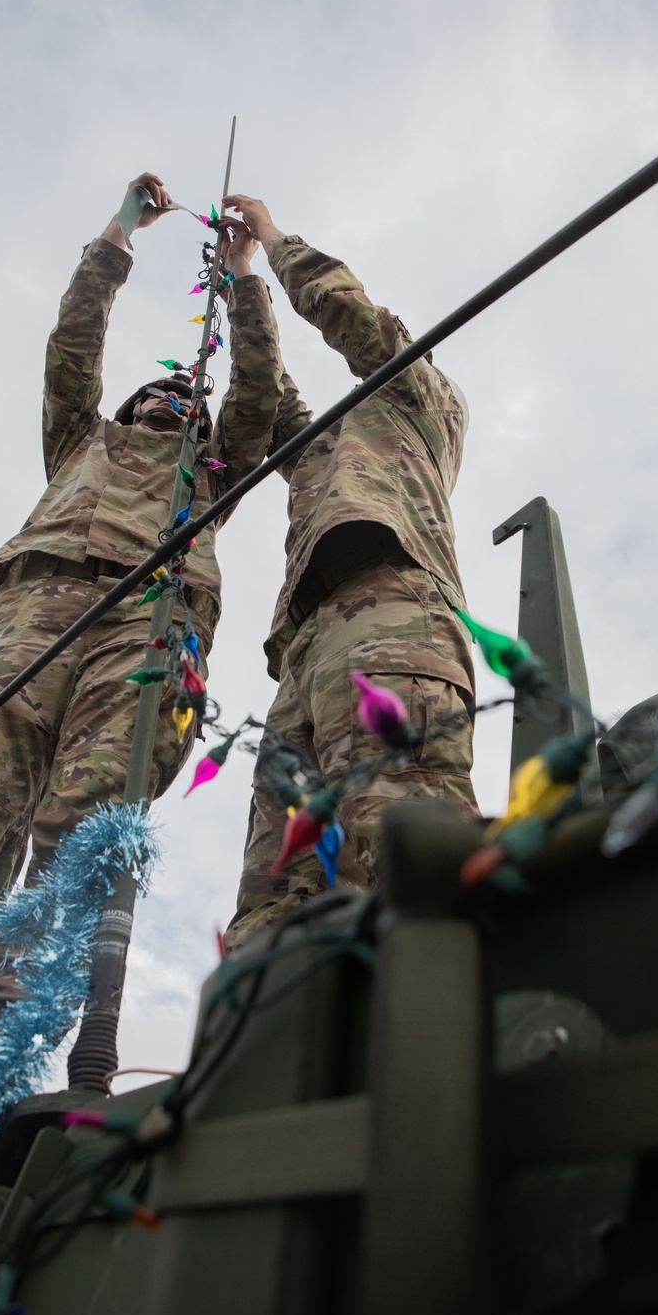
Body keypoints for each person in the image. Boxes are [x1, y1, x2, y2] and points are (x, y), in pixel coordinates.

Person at [0, 174, 281, 1110]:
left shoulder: (210, 478)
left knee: (77, 834)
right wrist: (122, 233)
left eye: (191, 397)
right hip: (28, 627)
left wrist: (244, 273)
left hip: (144, 627)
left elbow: (253, 384)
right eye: (160, 391)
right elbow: (74, 341)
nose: (176, 398)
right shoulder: (80, 444)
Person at [219, 195, 478, 949]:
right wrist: (240, 283)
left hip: (394, 607)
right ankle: (279, 1042)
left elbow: (350, 315)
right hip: (306, 646)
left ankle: (443, 1021)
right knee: (277, 894)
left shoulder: (422, 404)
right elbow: (268, 401)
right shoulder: (321, 454)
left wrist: (271, 239)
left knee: (400, 832)